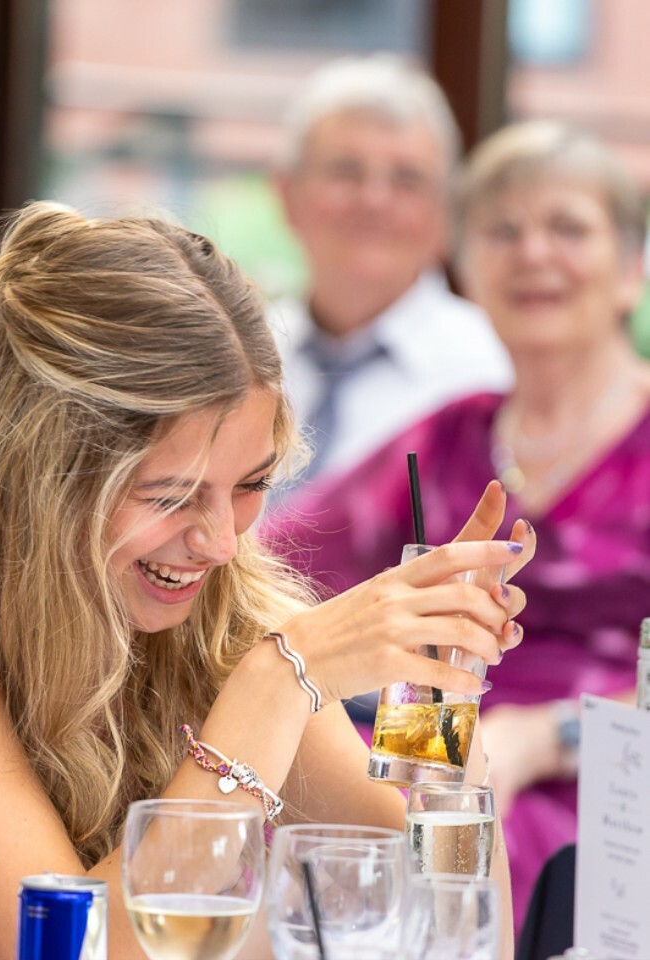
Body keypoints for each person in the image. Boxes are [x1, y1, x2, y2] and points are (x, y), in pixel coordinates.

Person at [0, 201, 535, 959]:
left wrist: (434, 713)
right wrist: (277, 682)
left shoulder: (227, 617)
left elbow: (437, 929)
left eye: (250, 484)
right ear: (44, 480)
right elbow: (65, 949)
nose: (219, 543)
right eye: (170, 496)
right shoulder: (266, 660)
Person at [264, 120, 650, 937]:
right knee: (314, 835)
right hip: (429, 748)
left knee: (480, 849)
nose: (532, 253)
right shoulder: (445, 437)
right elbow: (271, 562)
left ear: (631, 270)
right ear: (469, 271)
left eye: (568, 227)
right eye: (502, 231)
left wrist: (551, 734)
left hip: (611, 776)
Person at [269, 54, 513, 488]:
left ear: (445, 213)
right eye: (346, 171)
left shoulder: (493, 375)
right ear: (287, 195)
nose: (374, 200)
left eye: (407, 179)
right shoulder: (242, 355)